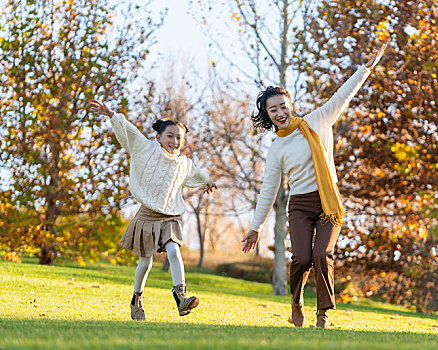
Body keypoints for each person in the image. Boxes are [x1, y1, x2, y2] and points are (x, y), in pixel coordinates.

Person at [241, 43, 387, 329]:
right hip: (300, 205)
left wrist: (366, 68)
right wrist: (256, 227)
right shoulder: (277, 149)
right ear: (268, 116)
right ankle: (296, 303)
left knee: (322, 254)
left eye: (283, 105)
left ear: (291, 104)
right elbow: (268, 191)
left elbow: (344, 94)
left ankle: (323, 315)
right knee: (302, 258)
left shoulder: (319, 120)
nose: (280, 112)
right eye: (273, 110)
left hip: (328, 203)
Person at [90, 99, 216, 321]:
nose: (175, 141)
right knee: (145, 263)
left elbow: (197, 173)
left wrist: (207, 182)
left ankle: (181, 295)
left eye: (179, 138)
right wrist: (111, 115)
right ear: (158, 137)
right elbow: (129, 132)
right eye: (170, 136)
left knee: (175, 252)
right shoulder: (145, 149)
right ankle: (137, 298)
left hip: (171, 216)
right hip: (148, 215)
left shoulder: (184, 164)